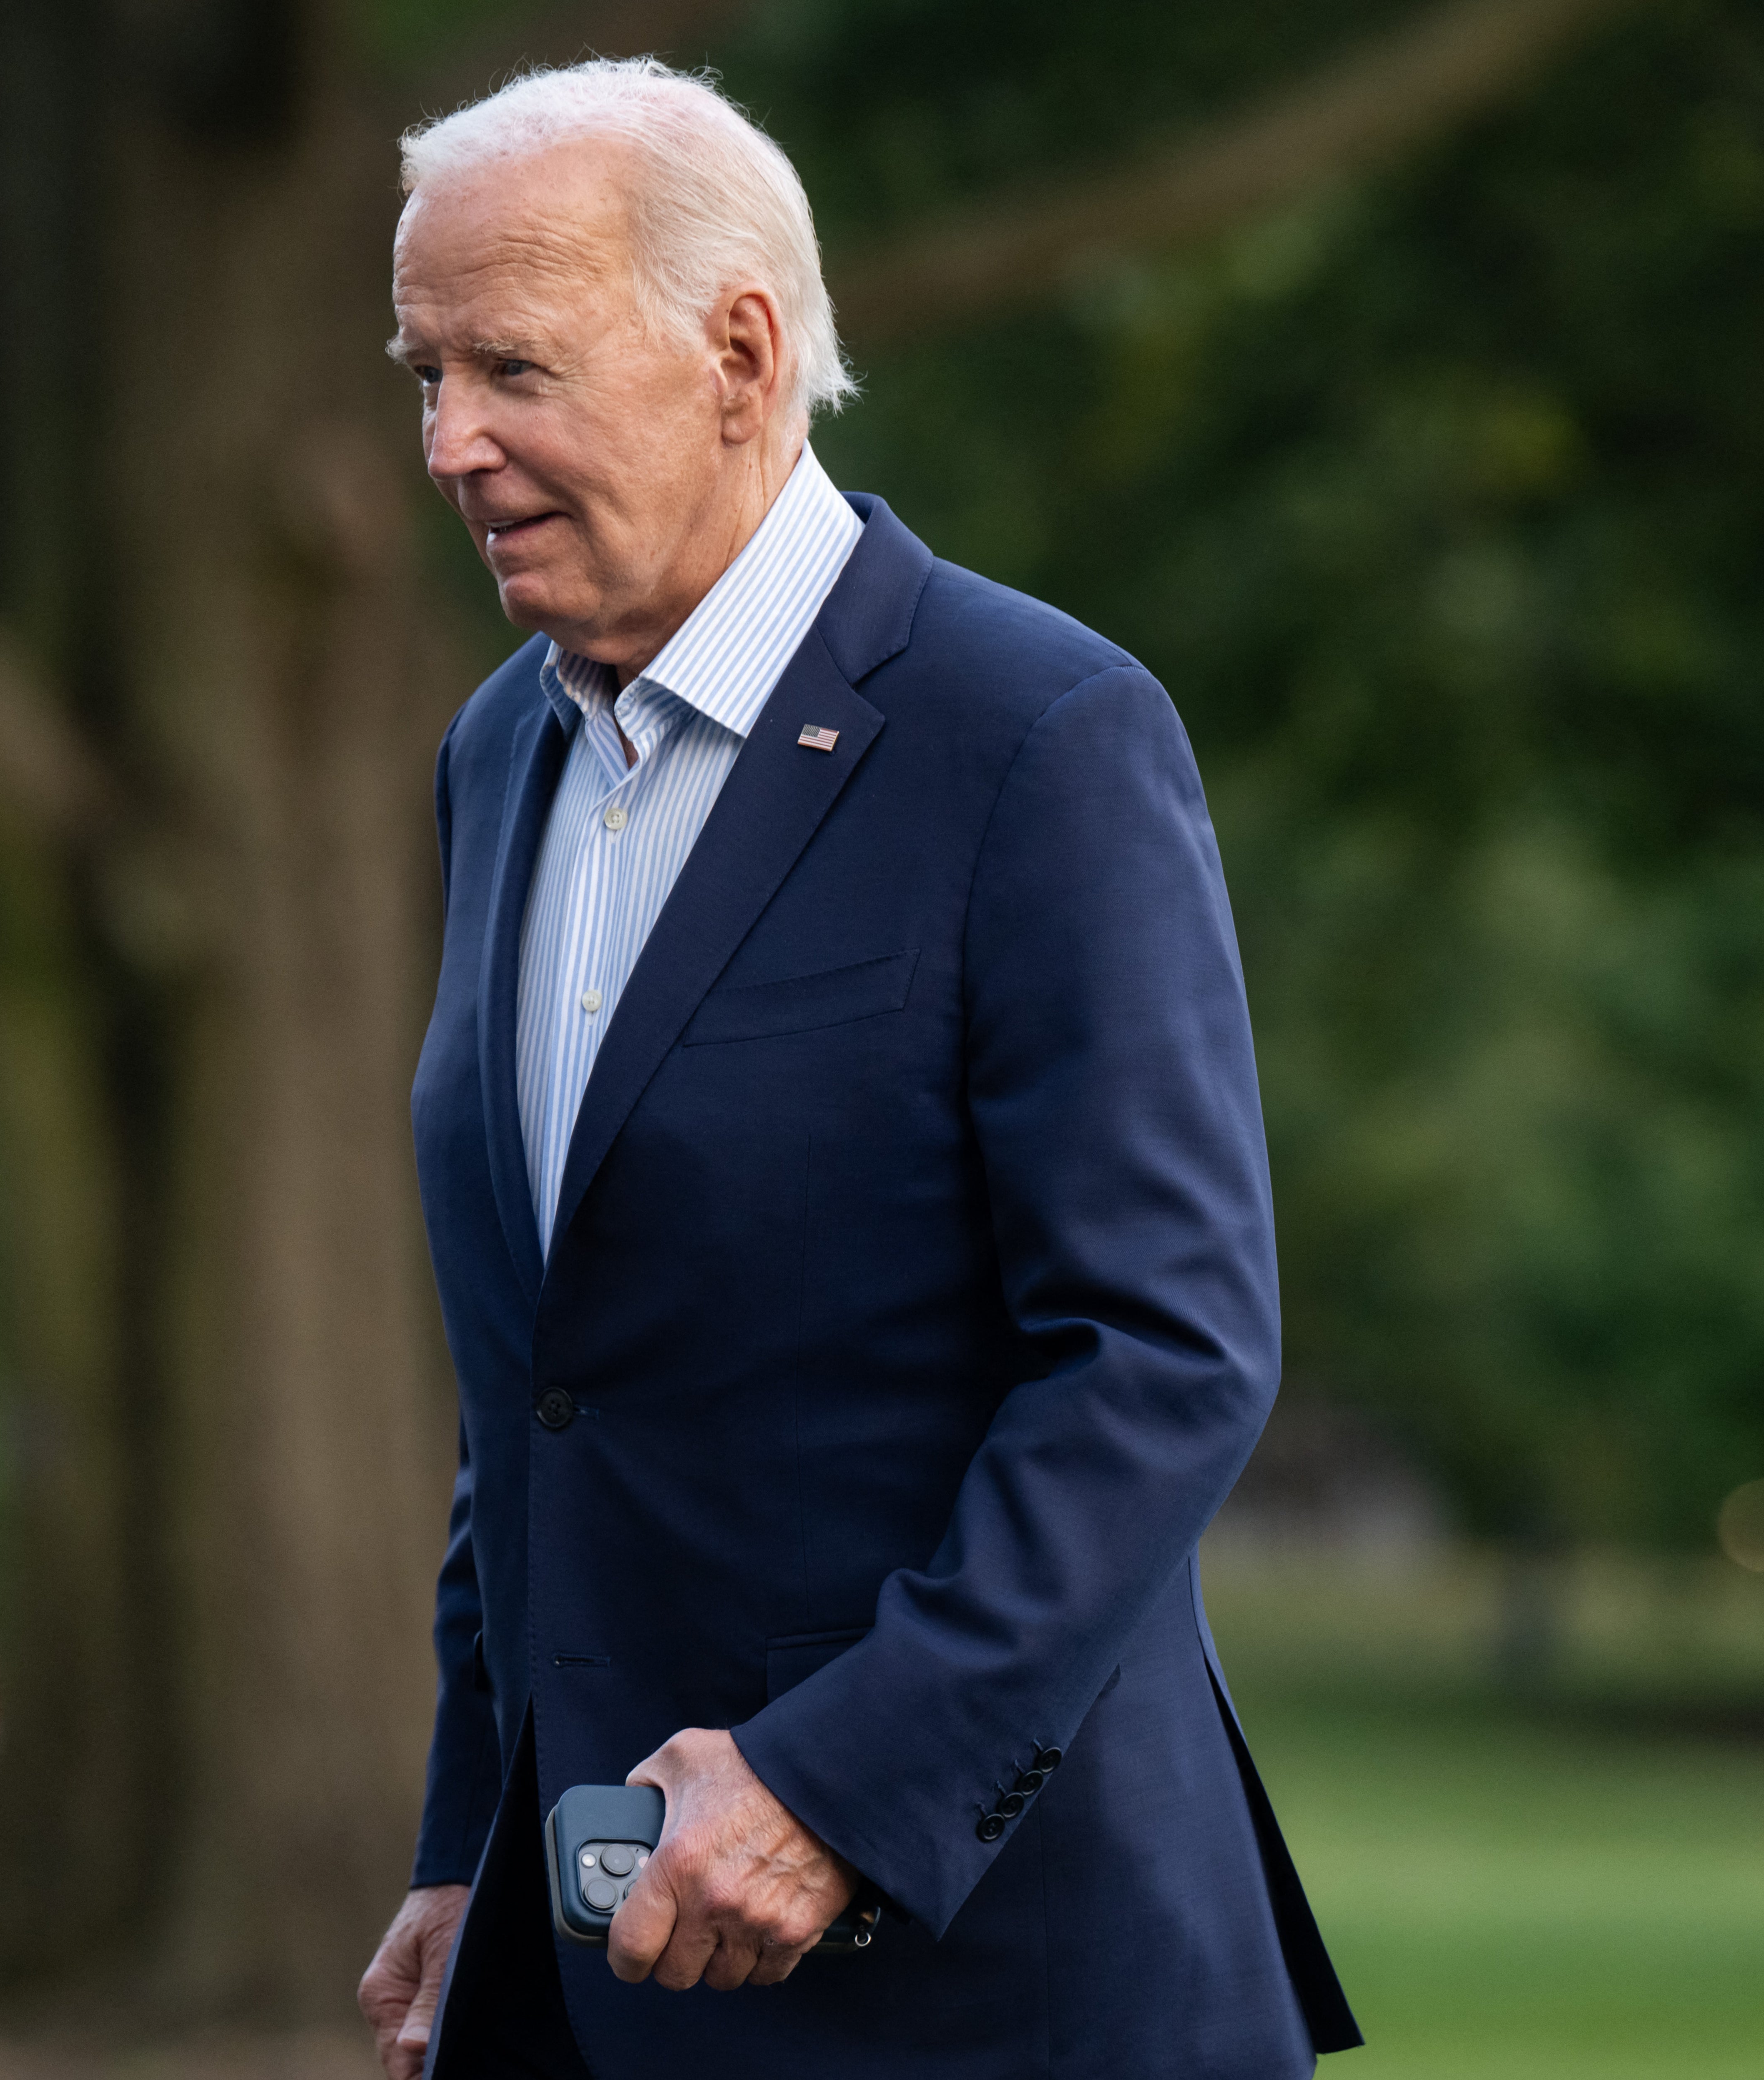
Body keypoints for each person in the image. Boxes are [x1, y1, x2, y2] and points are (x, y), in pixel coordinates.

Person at [359, 57, 1359, 2080]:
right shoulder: (497, 754)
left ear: (739, 352)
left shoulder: (1039, 734)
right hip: (601, 1964)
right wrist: (475, 1834)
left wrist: (838, 1781)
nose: (452, 442)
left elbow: (1167, 1350)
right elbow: (549, 1384)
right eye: (425, 372)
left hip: (1002, 1983)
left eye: (515, 369)